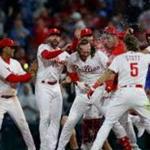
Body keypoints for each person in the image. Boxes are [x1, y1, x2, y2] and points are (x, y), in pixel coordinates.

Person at [57, 39, 130, 150]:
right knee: (70, 122)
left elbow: (111, 72)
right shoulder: (72, 58)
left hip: (99, 90)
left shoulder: (99, 56)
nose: (87, 53)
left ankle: (127, 146)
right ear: (78, 50)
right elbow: (71, 72)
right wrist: (77, 82)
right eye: (84, 52)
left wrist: (109, 88)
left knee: (112, 119)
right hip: (83, 92)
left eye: (88, 50)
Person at [87, 34, 150, 150]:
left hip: (123, 94)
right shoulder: (145, 57)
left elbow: (107, 74)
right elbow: (147, 51)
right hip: (140, 94)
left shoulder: (119, 58)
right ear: (136, 45)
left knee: (108, 123)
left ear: (125, 46)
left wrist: (93, 87)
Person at [35, 28, 69, 150]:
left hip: (56, 87)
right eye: (53, 35)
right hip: (43, 86)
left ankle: (51, 147)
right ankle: (44, 147)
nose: (55, 38)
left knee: (55, 119)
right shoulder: (43, 47)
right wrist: (63, 51)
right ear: (48, 37)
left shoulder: (63, 53)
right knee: (45, 117)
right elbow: (47, 56)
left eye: (57, 36)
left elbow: (73, 66)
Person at [0, 38, 36, 150]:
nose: (13, 49)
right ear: (4, 49)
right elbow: (12, 78)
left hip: (13, 98)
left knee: (24, 126)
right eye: (11, 47)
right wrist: (30, 74)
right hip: (0, 100)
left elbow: (24, 78)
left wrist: (31, 73)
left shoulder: (15, 63)